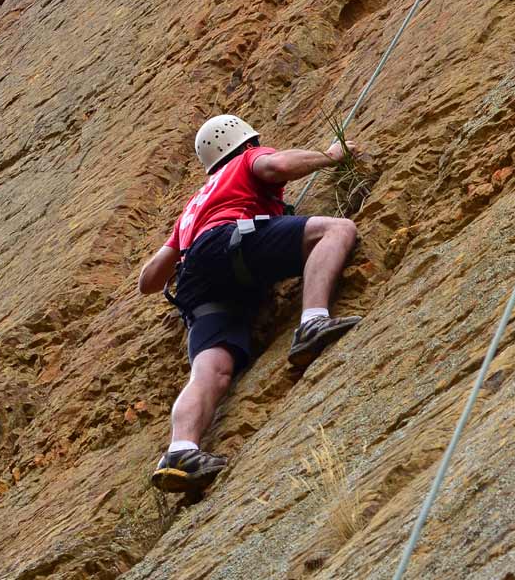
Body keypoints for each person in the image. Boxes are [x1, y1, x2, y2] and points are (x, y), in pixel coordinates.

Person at [137, 114, 363, 493]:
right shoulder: (245, 160)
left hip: (197, 278)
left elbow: (149, 281)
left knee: (212, 371)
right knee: (338, 229)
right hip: (231, 243)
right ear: (245, 143)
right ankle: (313, 321)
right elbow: (276, 166)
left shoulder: (194, 205)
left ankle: (180, 450)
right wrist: (329, 156)